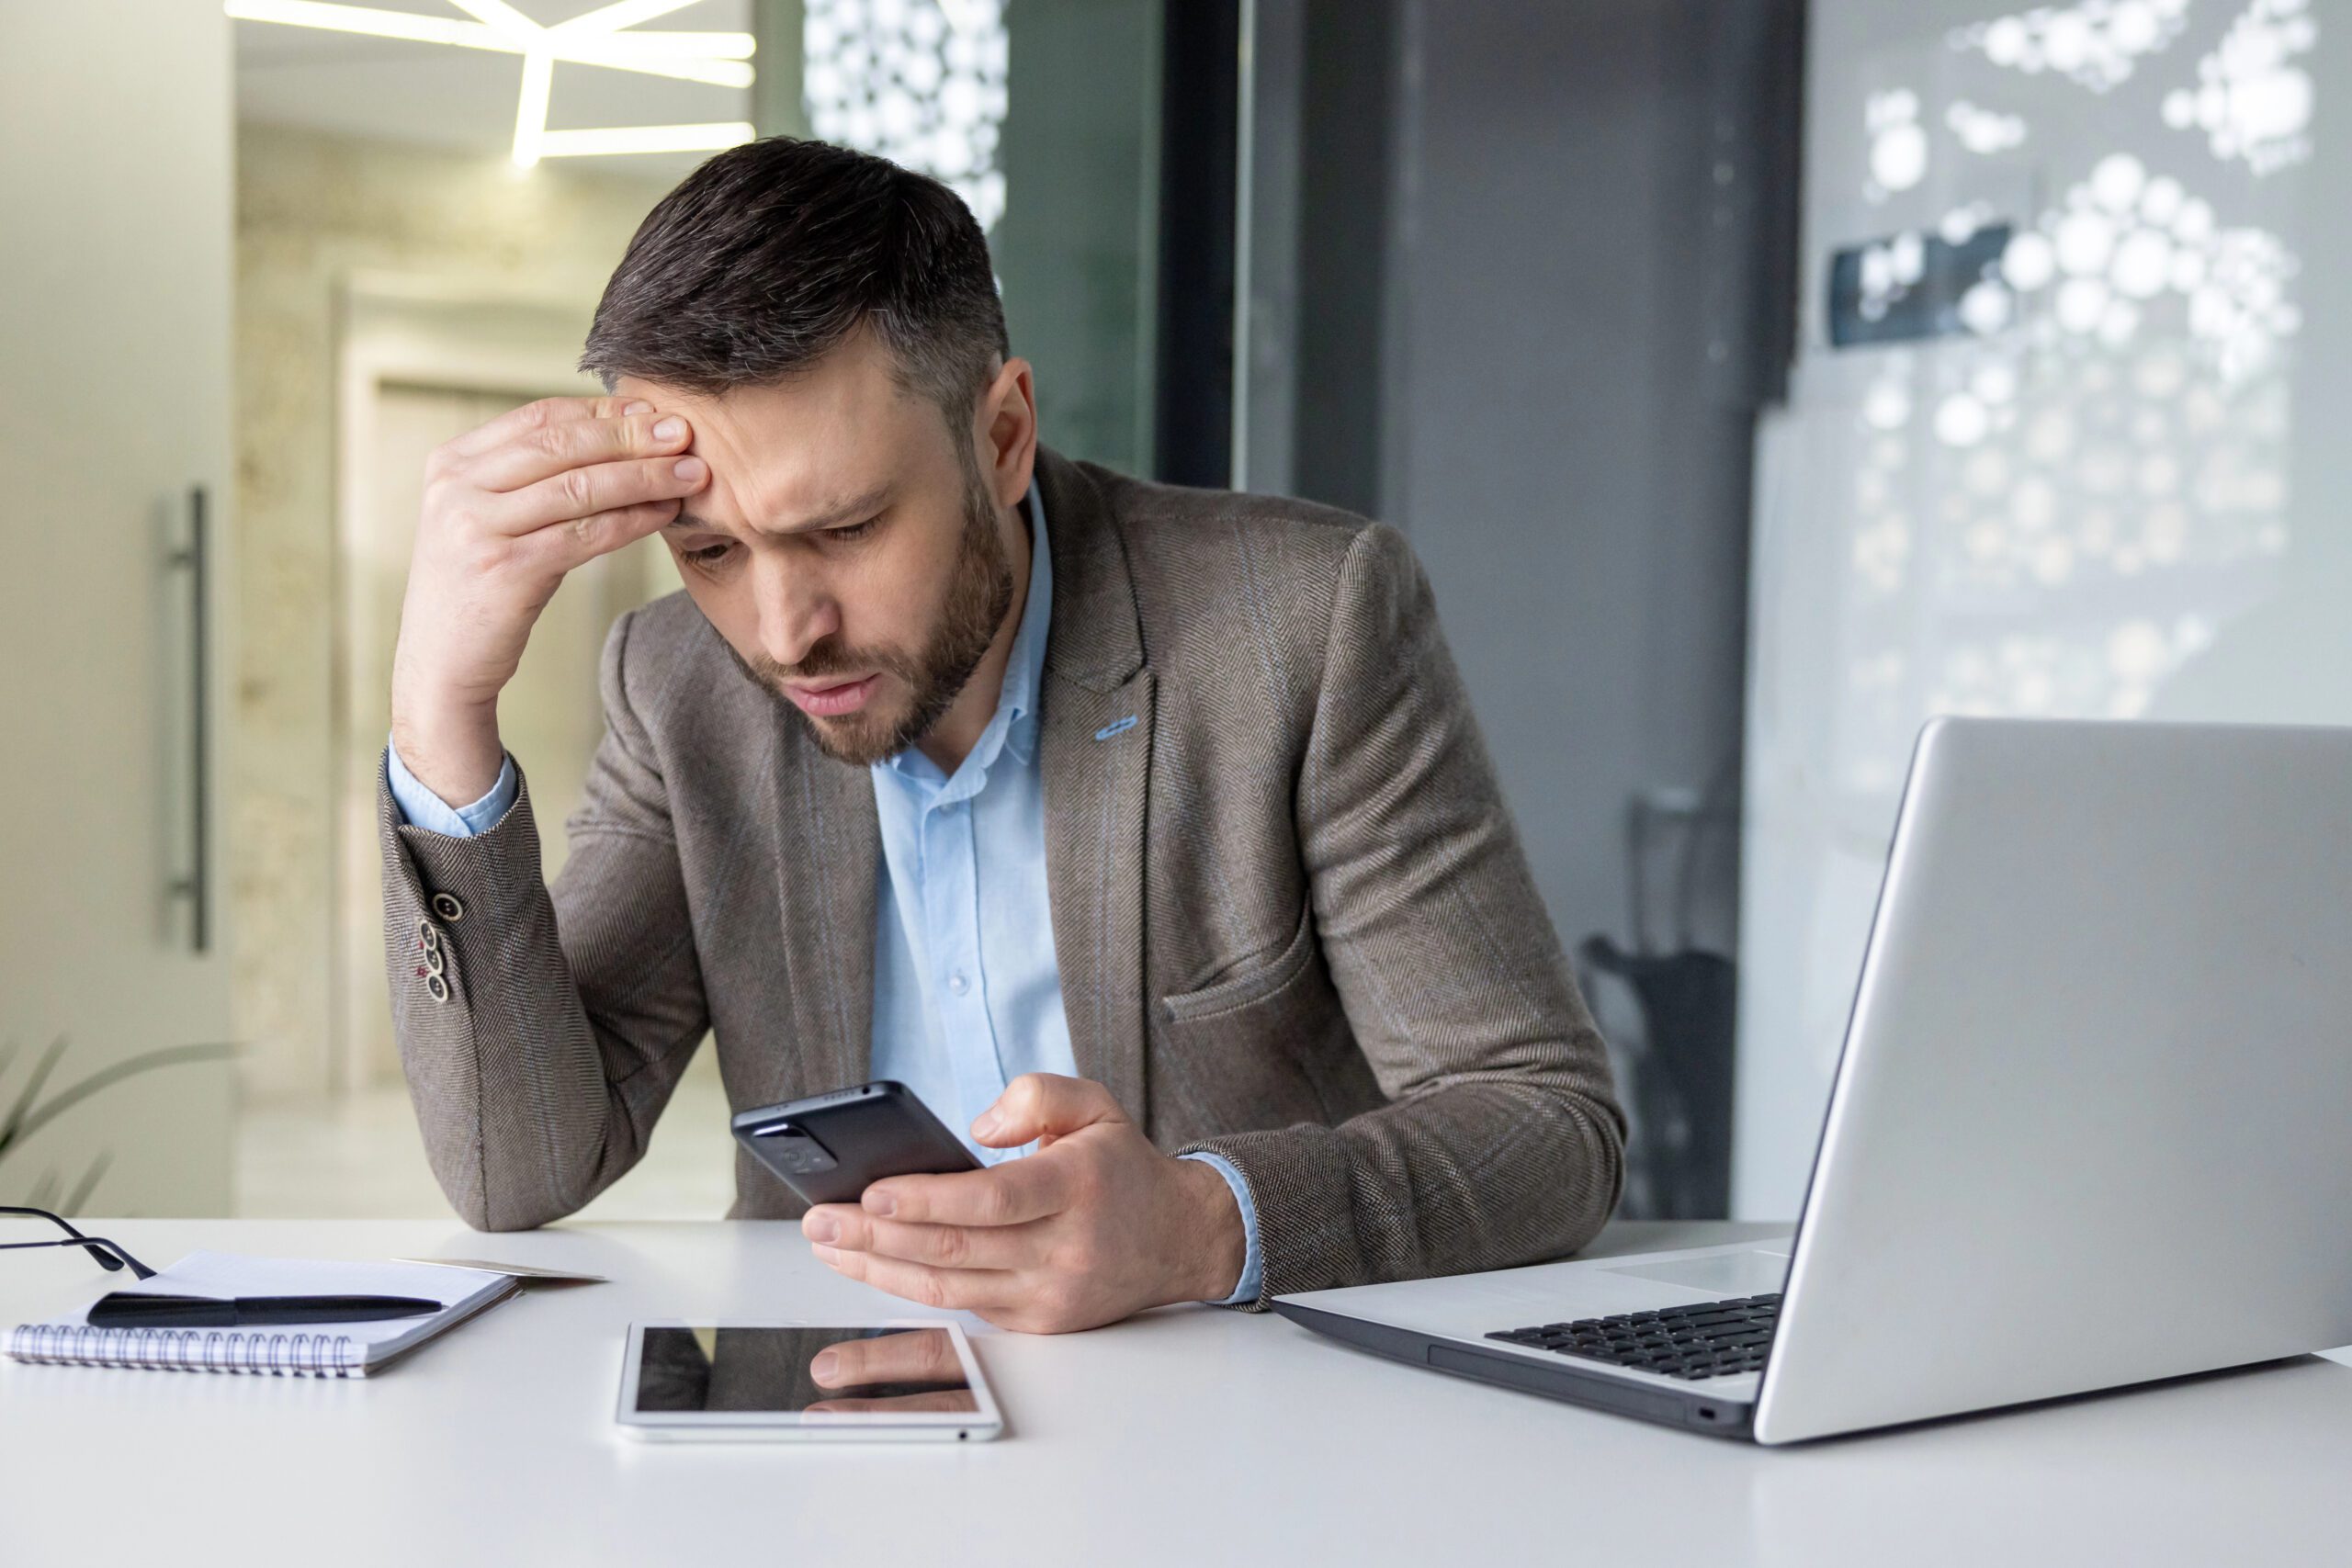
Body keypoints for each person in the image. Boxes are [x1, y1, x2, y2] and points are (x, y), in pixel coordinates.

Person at [380, 136, 1623, 1334]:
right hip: (837, 1411)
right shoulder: (678, 683)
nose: (784, 631)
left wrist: (1200, 1227)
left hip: (1241, 1432)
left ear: (1005, 435)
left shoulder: (1301, 625)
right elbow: (521, 1166)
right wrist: (440, 709)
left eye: (850, 529)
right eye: (708, 550)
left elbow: (1547, 1127)